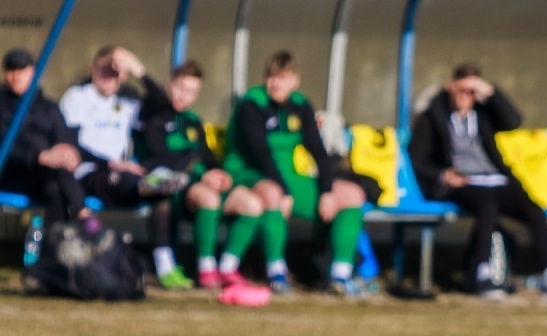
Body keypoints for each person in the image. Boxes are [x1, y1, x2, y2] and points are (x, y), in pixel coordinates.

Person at [409, 63, 547, 300]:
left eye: (472, 92)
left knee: (533, 210)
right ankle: (482, 273)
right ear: (451, 87)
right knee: (488, 206)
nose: (466, 97)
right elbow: (418, 157)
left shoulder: (484, 114)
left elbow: (514, 120)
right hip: (462, 182)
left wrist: (489, 91)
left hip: (495, 178)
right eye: (462, 90)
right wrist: (443, 175)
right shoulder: (433, 116)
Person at [222, 51, 368, 295]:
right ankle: (276, 271)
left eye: (282, 78)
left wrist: (327, 191)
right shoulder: (251, 103)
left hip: (287, 177)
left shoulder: (300, 104)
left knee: (352, 195)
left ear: (295, 81)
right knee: (273, 194)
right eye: (271, 77)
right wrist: (285, 191)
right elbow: (260, 154)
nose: (275, 83)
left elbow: (319, 152)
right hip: (249, 173)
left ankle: (340, 275)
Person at [59, 46, 189, 288]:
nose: (109, 75)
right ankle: (149, 183)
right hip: (87, 172)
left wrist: (139, 69)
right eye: (104, 68)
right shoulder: (78, 96)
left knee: (160, 198)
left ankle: (166, 266)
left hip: (121, 176)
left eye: (115, 70)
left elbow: (164, 107)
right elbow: (70, 143)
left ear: (124, 75)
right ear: (92, 69)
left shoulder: (128, 100)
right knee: (128, 179)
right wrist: (110, 162)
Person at [135, 59, 263, 290]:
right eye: (181, 88)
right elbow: (159, 157)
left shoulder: (193, 121)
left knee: (252, 203)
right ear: (169, 85)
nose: (184, 96)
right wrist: (199, 174)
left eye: (192, 92)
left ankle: (227, 268)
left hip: (203, 183)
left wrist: (217, 173)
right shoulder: (153, 117)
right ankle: (206, 269)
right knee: (209, 198)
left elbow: (205, 156)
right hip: (174, 188)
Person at [0, 48, 88, 224]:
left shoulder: (49, 107)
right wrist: (39, 157)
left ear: (34, 72)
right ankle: (85, 216)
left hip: (46, 175)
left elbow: (65, 138)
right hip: (11, 173)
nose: (16, 75)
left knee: (54, 188)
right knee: (56, 174)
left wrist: (71, 154)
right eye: (11, 70)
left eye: (22, 70)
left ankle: (57, 242)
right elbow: (5, 146)